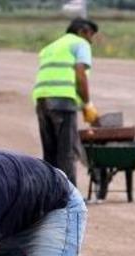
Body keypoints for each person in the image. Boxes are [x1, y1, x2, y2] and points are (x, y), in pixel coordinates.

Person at [32, 17, 100, 187]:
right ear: (82, 31)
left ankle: (50, 196)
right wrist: (87, 103)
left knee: (50, 153)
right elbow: (80, 74)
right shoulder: (80, 44)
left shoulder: (51, 47)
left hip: (41, 100)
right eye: (91, 35)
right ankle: (70, 198)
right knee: (66, 152)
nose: (91, 40)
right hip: (62, 101)